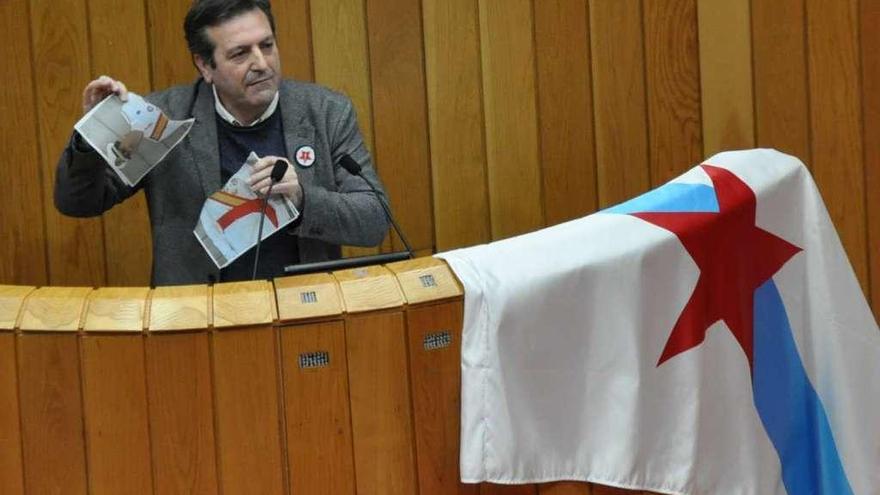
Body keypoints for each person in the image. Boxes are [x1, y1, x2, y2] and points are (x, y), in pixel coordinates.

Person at [54, 0, 389, 286]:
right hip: (200, 320)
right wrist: (94, 135)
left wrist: (302, 198)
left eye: (267, 45)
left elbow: (374, 219)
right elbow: (79, 203)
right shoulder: (163, 119)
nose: (261, 63)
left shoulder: (326, 112)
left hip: (305, 311)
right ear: (205, 65)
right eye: (240, 53)